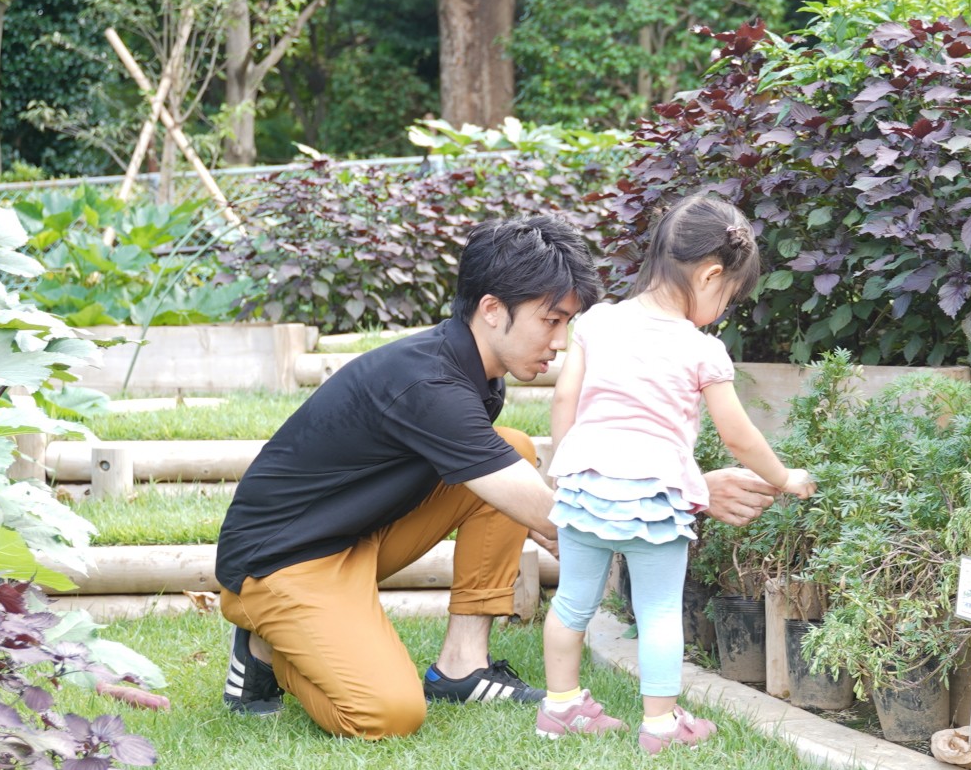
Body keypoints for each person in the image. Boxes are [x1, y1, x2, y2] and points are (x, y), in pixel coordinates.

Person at [214, 214, 779, 739]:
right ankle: (266, 643)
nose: (560, 343)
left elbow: (540, 505)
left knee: (507, 451)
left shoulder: (474, 370)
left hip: (351, 536)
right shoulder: (430, 386)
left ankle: (463, 664)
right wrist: (692, 491)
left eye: (567, 323)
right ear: (491, 309)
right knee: (388, 712)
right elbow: (557, 520)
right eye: (550, 320)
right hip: (283, 557)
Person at [537, 193, 815, 754]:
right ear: (712, 275)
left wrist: (564, 471)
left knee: (571, 603)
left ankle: (560, 708)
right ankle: (661, 726)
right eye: (729, 298)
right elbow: (737, 436)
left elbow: (565, 398)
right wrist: (784, 478)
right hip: (654, 500)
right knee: (659, 609)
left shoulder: (598, 323)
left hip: (585, 490)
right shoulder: (700, 350)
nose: (724, 311)